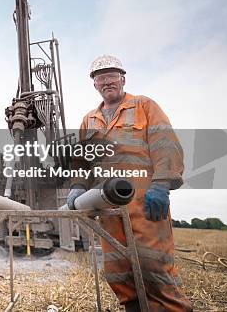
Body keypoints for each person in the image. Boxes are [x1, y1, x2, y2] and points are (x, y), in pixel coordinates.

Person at [67, 55, 192, 311]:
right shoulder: (89, 120)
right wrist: (78, 185)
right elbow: (80, 160)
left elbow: (165, 144)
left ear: (122, 78)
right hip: (108, 204)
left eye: (111, 75)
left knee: (152, 266)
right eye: (100, 77)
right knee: (117, 270)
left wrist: (162, 184)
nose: (107, 81)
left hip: (144, 201)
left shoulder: (144, 106)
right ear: (94, 85)